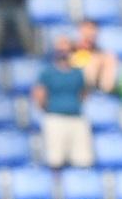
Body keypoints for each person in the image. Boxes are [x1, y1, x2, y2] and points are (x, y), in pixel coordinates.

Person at [34, 36, 91, 170]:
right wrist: (50, 109)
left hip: (76, 118)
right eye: (61, 50)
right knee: (55, 160)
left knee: (82, 160)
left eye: (67, 50)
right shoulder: (48, 73)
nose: (64, 53)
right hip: (55, 118)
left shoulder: (78, 73)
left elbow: (83, 94)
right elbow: (39, 94)